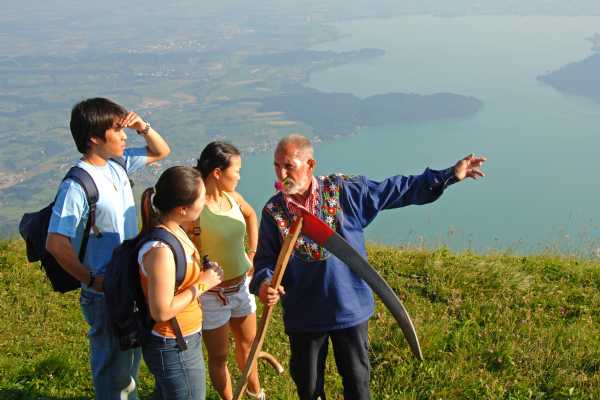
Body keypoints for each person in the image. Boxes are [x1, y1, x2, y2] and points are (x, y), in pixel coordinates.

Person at [250, 134, 486, 400]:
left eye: (288, 166)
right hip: (304, 316)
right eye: (277, 166)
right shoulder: (273, 211)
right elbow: (265, 260)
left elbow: (395, 190)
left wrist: (449, 175)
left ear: (310, 164)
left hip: (349, 309)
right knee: (309, 389)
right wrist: (265, 283)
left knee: (358, 385)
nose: (281, 174)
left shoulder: (344, 191)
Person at [45, 97, 171, 399]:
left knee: (128, 362)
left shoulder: (117, 164)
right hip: (104, 292)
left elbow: (161, 151)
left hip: (128, 283)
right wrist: (91, 280)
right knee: (112, 368)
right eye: (117, 130)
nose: (124, 135)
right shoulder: (77, 184)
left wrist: (142, 126)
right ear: (94, 138)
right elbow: (55, 243)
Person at [138, 166, 223, 400]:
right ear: (182, 208)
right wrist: (203, 284)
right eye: (201, 196)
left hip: (183, 339)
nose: (206, 200)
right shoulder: (161, 251)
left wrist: (202, 276)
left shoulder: (177, 230)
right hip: (173, 344)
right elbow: (161, 311)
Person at [187, 141, 264, 400]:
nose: (239, 176)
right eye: (237, 171)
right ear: (217, 173)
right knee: (219, 357)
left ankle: (255, 393)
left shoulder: (234, 198)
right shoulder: (194, 209)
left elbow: (251, 216)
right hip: (212, 296)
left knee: (248, 346)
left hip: (242, 287)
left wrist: (252, 253)